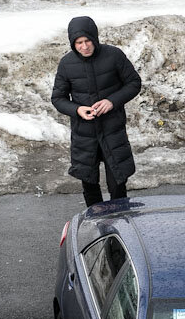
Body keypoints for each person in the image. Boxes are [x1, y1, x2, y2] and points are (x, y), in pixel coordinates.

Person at [50, 16, 142, 207]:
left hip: (112, 131)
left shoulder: (114, 55)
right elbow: (58, 99)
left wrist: (112, 101)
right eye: (79, 43)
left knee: (117, 184)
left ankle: (119, 223)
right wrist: (77, 110)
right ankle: (95, 226)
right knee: (90, 185)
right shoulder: (66, 64)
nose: (84, 47)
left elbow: (134, 83)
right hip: (85, 135)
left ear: (95, 37)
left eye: (87, 41)